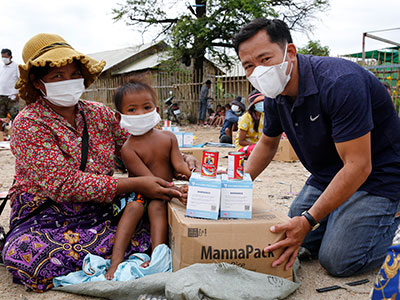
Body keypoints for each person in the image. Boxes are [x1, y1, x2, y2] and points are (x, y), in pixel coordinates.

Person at [1, 33, 198, 292]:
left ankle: (112, 255)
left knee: (152, 217)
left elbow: (140, 146)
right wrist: (137, 183)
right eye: (57, 76)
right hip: (47, 215)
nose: (68, 81)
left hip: (101, 210)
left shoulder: (99, 114)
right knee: (25, 252)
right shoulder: (28, 123)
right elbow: (64, 184)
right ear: (38, 83)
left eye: (74, 74)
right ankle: (123, 253)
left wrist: (183, 159)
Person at [234, 18, 400, 277]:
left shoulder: (340, 82)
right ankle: (348, 217)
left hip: (379, 174)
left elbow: (358, 165)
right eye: (249, 66)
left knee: (339, 259)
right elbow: (267, 143)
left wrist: (310, 219)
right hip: (329, 173)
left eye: (265, 59)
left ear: (290, 51)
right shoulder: (275, 94)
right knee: (291, 238)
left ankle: (392, 217)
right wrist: (236, 185)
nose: (259, 71)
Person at [105, 79, 191, 279]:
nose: (141, 114)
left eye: (146, 107)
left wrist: (197, 176)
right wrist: (177, 192)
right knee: (135, 207)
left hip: (162, 193)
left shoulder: (169, 137)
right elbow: (149, 180)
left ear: (156, 109)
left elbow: (179, 166)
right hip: (142, 191)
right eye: (132, 110)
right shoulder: (128, 148)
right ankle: (116, 260)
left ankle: (157, 255)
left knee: (157, 206)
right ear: (120, 116)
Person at [234, 91, 264, 158]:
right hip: (245, 147)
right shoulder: (246, 118)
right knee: (257, 150)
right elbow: (241, 141)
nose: (263, 103)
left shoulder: (264, 116)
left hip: (258, 146)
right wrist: (257, 145)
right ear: (254, 105)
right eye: (260, 101)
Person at [0, 48, 20, 122]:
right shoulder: (1, 67)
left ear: (10, 57)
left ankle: (14, 132)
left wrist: (18, 93)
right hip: (1, 96)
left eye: (5, 57)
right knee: (1, 118)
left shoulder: (16, 66)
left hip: (12, 96)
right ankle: (2, 132)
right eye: (2, 57)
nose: (3, 59)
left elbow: (21, 81)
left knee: (14, 116)